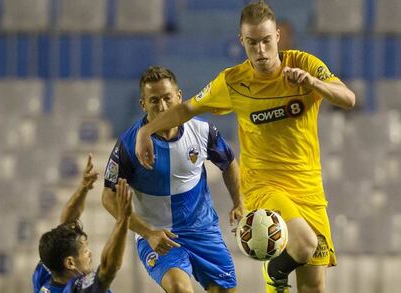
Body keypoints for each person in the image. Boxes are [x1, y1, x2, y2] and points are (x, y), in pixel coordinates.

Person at [134, 2, 356, 293]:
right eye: (252, 43)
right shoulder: (233, 82)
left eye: (266, 41)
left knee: (314, 286)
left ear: (277, 35)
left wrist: (314, 83)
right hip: (264, 186)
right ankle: (274, 271)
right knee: (304, 244)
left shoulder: (303, 64)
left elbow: (348, 99)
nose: (261, 51)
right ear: (242, 41)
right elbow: (186, 109)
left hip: (309, 188)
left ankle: (279, 272)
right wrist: (147, 130)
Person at [102, 66, 243, 293]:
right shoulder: (128, 144)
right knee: (180, 289)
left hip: (202, 230)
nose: (163, 107)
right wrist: (148, 232)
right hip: (158, 234)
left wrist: (238, 202)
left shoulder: (203, 131)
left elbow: (229, 163)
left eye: (168, 98)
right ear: (143, 104)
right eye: (154, 100)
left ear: (179, 96)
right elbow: (108, 197)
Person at [32, 154, 133, 292]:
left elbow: (66, 226)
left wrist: (84, 188)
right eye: (85, 251)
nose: (90, 254)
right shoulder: (76, 289)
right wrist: (123, 219)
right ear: (70, 262)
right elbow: (109, 268)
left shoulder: (46, 274)